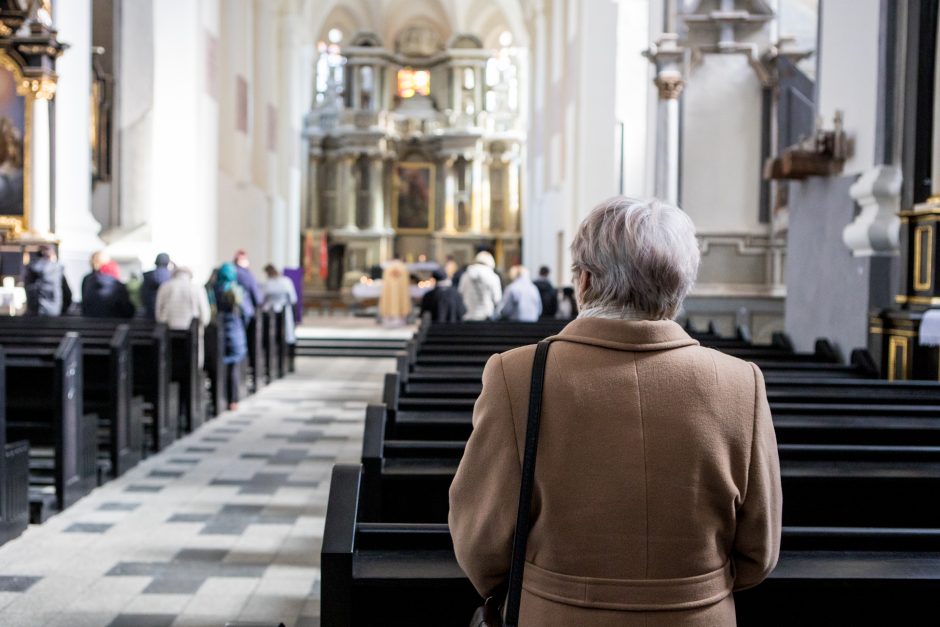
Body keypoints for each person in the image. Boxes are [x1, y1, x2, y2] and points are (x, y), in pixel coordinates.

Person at [449, 196, 782, 626]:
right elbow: (760, 549)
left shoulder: (517, 375)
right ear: (680, 286)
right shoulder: (742, 383)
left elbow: (480, 544)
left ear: (583, 281)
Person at [214, 262, 247, 411]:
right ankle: (232, 400)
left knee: (218, 364)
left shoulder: (212, 288)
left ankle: (218, 398)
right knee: (232, 367)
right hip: (233, 330)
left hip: (216, 330)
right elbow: (246, 313)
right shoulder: (235, 289)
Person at [81, 252, 135, 318]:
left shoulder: (87, 280)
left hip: (89, 322)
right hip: (114, 323)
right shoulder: (116, 284)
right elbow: (128, 310)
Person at [24, 244, 71, 316]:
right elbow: (67, 294)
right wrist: (62, 310)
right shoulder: (58, 271)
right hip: (55, 312)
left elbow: (29, 291)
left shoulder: (32, 271)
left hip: (37, 312)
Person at [457, 251, 502, 321]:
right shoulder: (493, 277)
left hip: (468, 316)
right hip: (486, 316)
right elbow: (497, 299)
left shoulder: (465, 275)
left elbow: (460, 294)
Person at [262, 264, 298, 345]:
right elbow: (293, 299)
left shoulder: (268, 283)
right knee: (284, 332)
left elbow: (263, 299)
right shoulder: (286, 281)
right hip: (282, 309)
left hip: (271, 310)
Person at [378, 256, 412, 326]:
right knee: (401, 299)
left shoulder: (388, 267)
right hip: (400, 290)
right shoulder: (403, 267)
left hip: (389, 290)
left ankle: (388, 319)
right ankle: (401, 318)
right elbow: (406, 281)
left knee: (388, 300)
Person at [233, 250, 263, 322]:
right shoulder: (246, 274)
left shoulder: (231, 271)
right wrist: (259, 303)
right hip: (245, 309)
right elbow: (254, 291)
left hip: (232, 310)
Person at [141, 253, 173, 319]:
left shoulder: (148, 276)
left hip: (150, 312)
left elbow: (143, 294)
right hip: (167, 314)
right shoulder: (172, 277)